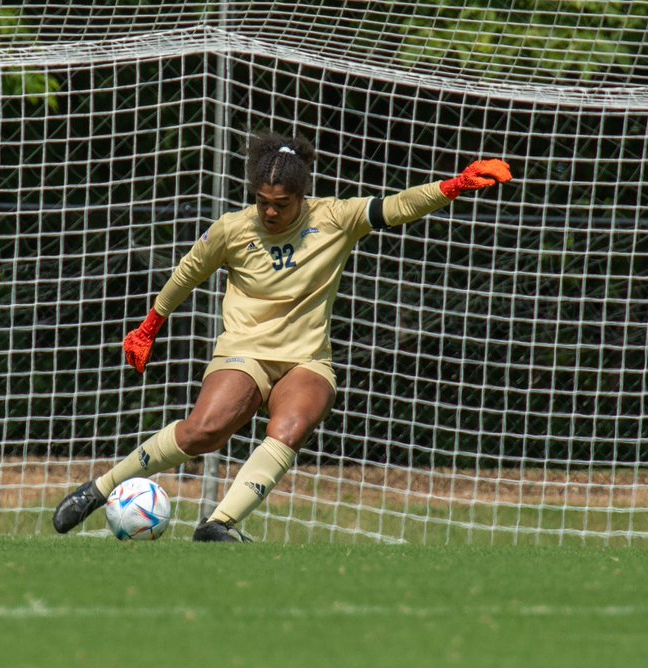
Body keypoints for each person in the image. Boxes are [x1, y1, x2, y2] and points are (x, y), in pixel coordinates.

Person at [52, 132, 512, 542]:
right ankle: (101, 489)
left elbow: (398, 205)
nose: (270, 211)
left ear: (302, 196)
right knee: (203, 432)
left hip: (306, 359)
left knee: (289, 428)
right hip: (244, 352)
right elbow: (187, 272)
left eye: (282, 203)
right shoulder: (233, 230)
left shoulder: (335, 219)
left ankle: (218, 525)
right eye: (262, 201)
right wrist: (150, 324)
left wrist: (452, 187)